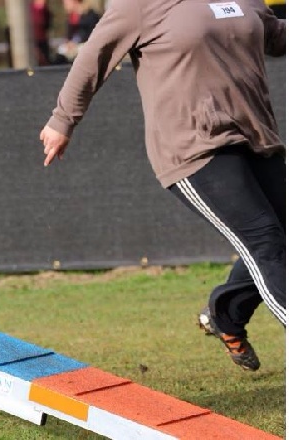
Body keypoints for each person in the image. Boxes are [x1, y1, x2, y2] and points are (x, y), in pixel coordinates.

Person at [39, 0, 285, 372]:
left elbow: (274, 36)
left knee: (277, 238)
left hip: (256, 137)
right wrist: (62, 120)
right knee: (264, 237)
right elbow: (93, 56)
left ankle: (226, 314)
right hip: (194, 146)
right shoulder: (140, 5)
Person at [31, 0, 53, 66]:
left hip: (43, 42)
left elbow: (46, 27)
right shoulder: (30, 10)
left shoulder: (45, 11)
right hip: (33, 43)